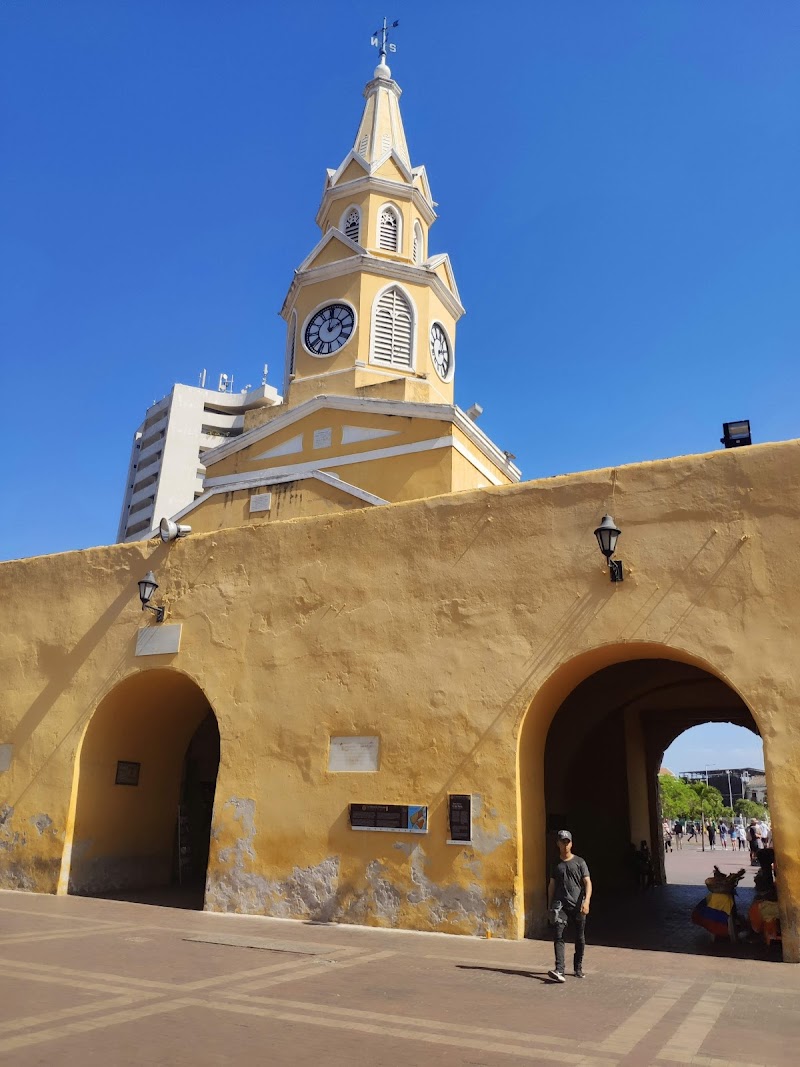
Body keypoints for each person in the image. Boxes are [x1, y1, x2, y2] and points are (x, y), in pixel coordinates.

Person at [547, 830, 592, 983]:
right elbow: (551, 885)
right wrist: (550, 906)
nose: (565, 845)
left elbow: (588, 882)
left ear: (571, 843)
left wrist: (586, 902)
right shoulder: (555, 864)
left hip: (578, 906)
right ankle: (559, 970)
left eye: (567, 842)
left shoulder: (579, 862)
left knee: (579, 937)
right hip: (561, 906)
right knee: (558, 935)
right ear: (558, 844)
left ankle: (578, 968)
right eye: (562, 842)